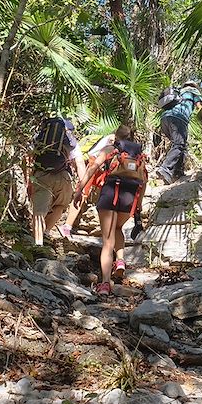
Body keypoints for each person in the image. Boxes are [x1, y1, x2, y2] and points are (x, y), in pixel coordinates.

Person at [73, 124, 147, 296]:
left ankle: (105, 283)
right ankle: (120, 261)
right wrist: (139, 205)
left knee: (107, 241)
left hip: (110, 193)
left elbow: (92, 168)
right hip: (129, 197)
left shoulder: (109, 150)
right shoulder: (138, 156)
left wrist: (79, 190)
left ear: (116, 136)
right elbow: (144, 181)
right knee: (118, 228)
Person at [26, 117, 86, 247]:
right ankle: (46, 232)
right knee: (60, 206)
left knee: (39, 212)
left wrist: (28, 179)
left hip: (41, 175)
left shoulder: (39, 138)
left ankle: (38, 243)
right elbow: (80, 163)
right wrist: (82, 187)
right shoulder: (70, 141)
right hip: (64, 177)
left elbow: (27, 158)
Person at [57, 132, 115, 237]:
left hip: (98, 166)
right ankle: (67, 226)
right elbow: (105, 154)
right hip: (94, 163)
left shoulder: (115, 139)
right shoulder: (112, 138)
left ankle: (70, 225)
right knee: (83, 193)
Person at [156, 81, 202, 184]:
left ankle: (177, 172)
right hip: (178, 118)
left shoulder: (178, 91)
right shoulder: (193, 92)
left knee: (181, 146)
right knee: (179, 144)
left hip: (165, 118)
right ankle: (165, 168)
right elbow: (200, 107)